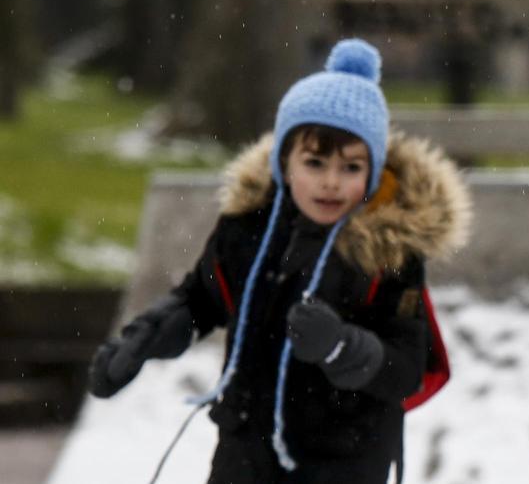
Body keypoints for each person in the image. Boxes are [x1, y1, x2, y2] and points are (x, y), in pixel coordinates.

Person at [87, 39, 471, 484]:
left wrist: (342, 346)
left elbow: (405, 369)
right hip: (245, 448)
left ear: (373, 173)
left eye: (351, 168)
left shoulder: (387, 251)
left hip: (344, 460)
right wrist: (144, 339)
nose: (330, 182)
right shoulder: (248, 228)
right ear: (284, 163)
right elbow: (202, 297)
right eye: (314, 163)